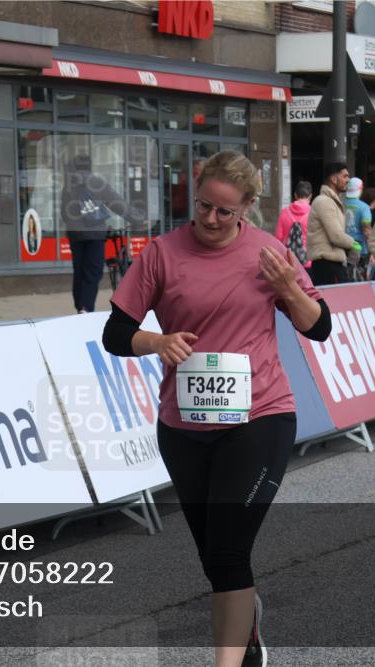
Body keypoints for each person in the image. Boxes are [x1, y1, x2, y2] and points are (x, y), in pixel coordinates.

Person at [101, 150, 331, 667]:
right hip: (183, 427)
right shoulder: (161, 253)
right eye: (202, 205)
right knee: (216, 558)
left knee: (228, 551)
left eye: (224, 212)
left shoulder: (269, 252)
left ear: (247, 207)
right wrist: (155, 342)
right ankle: (247, 635)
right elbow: (115, 333)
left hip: (260, 418)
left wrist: (286, 288)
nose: (209, 219)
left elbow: (319, 326)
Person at [60, 154, 143, 313]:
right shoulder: (97, 183)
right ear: (90, 166)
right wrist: (137, 218)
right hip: (94, 233)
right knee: (93, 271)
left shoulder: (69, 186)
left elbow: (64, 212)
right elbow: (118, 204)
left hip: (75, 234)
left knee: (79, 270)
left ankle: (79, 305)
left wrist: (75, 222)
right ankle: (86, 307)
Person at [307, 162, 360, 285]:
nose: (348, 180)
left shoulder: (332, 201)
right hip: (327, 266)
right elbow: (336, 236)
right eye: (345, 176)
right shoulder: (324, 202)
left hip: (333, 265)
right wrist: (355, 245)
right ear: (333, 179)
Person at [274, 180, 313, 270]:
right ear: (310, 196)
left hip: (288, 261)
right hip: (308, 262)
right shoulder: (313, 213)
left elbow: (278, 238)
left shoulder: (284, 212)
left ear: (295, 195)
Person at [343, 177, 373, 280]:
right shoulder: (364, 207)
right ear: (360, 189)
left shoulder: (341, 204)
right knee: (360, 281)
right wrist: (372, 251)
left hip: (343, 247)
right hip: (361, 250)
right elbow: (367, 231)